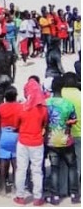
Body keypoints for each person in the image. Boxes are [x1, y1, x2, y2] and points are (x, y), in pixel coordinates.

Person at [45, 76, 79, 205]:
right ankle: (75, 195)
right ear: (62, 88)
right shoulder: (68, 103)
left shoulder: (47, 103)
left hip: (52, 140)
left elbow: (44, 121)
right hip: (66, 139)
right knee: (72, 166)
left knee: (54, 168)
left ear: (52, 88)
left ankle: (55, 197)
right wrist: (67, 123)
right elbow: (74, 120)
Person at [13, 78, 48, 206]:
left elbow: (16, 124)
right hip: (37, 142)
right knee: (37, 170)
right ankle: (38, 197)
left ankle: (20, 196)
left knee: (21, 169)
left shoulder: (23, 108)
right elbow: (45, 123)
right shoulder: (43, 108)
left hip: (23, 141)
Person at [0, 86, 21, 195]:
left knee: (3, 163)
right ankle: (16, 187)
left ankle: (3, 188)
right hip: (16, 135)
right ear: (16, 96)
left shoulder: (0, 108)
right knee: (15, 163)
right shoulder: (20, 107)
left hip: (3, 135)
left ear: (5, 97)